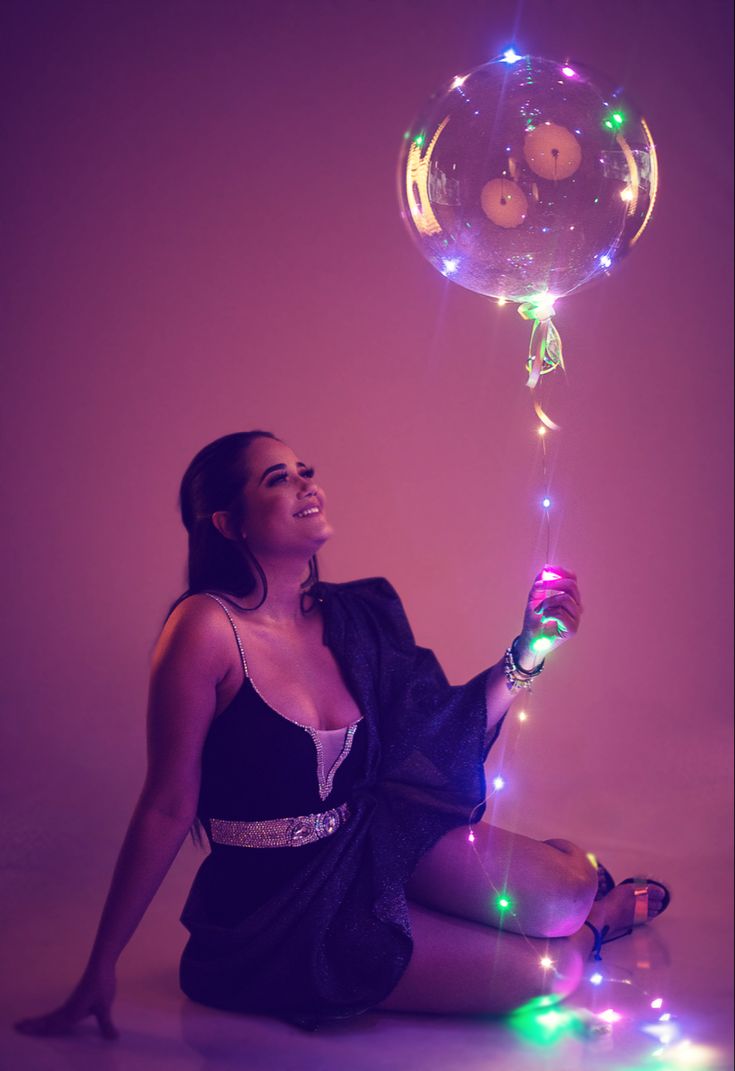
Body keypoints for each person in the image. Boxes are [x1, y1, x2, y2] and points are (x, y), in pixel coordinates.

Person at [15, 430, 669, 1038]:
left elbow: (432, 733)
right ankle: (601, 921)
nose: (306, 485)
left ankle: (571, 891)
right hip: (280, 912)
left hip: (371, 840)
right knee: (548, 973)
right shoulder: (203, 628)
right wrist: (102, 961)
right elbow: (167, 803)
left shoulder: (354, 616)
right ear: (229, 521)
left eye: (305, 471)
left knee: (564, 890)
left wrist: (530, 648)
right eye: (278, 478)